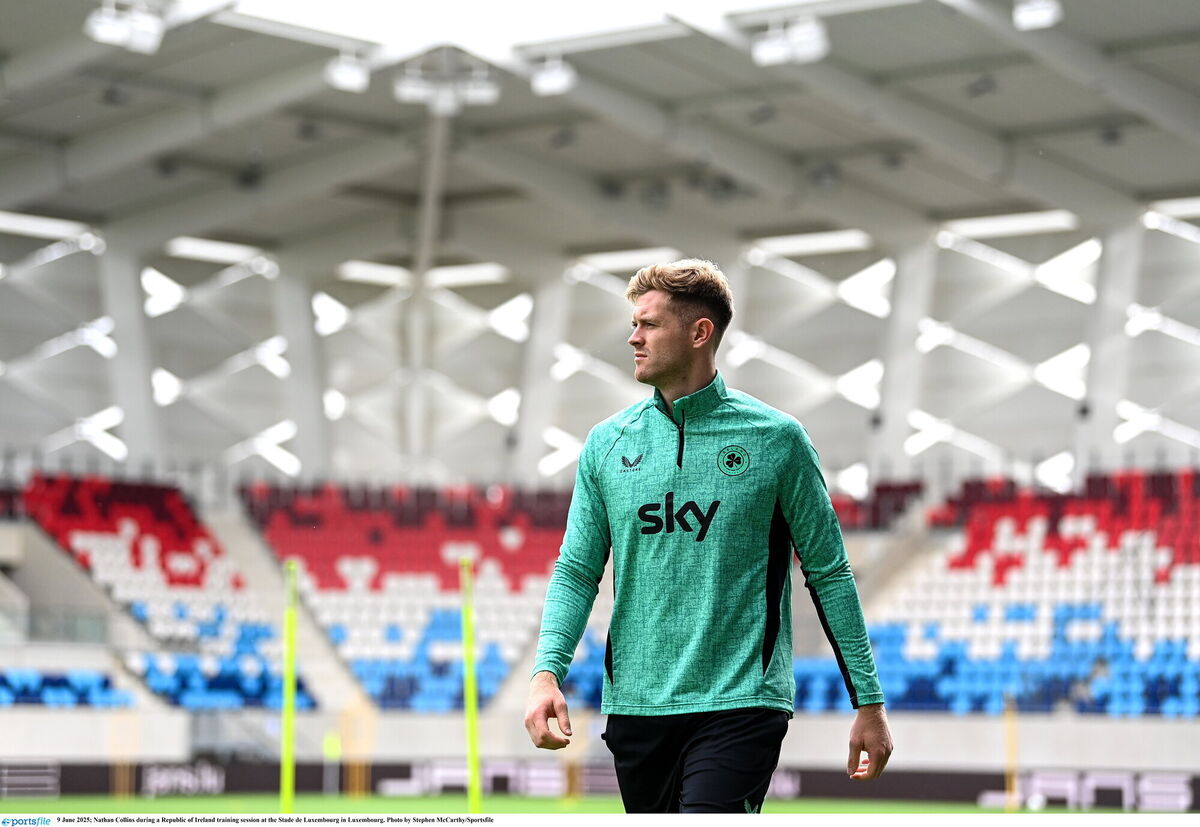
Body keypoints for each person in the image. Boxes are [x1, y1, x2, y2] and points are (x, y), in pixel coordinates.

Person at [524, 258, 893, 813]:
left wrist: (869, 702)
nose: (633, 337)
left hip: (740, 703)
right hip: (636, 708)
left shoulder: (777, 441)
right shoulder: (606, 444)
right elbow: (576, 571)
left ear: (700, 333)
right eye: (634, 323)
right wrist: (546, 672)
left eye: (649, 324)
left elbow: (829, 573)